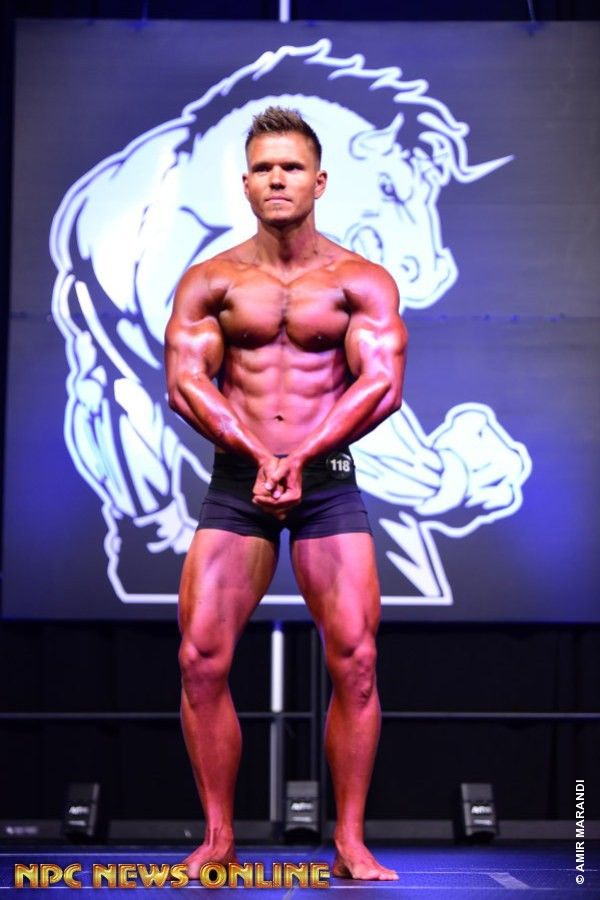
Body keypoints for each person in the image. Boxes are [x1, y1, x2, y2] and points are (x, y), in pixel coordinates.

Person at [165, 106, 407, 881]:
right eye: (264, 168)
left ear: (319, 181)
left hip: (324, 479)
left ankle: (350, 840)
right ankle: (218, 837)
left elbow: (382, 385)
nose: (277, 178)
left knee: (357, 659)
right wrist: (259, 455)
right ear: (245, 184)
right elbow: (185, 384)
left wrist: (298, 455)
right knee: (201, 659)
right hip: (241, 481)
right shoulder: (212, 280)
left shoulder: (359, 281)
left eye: (291, 167)